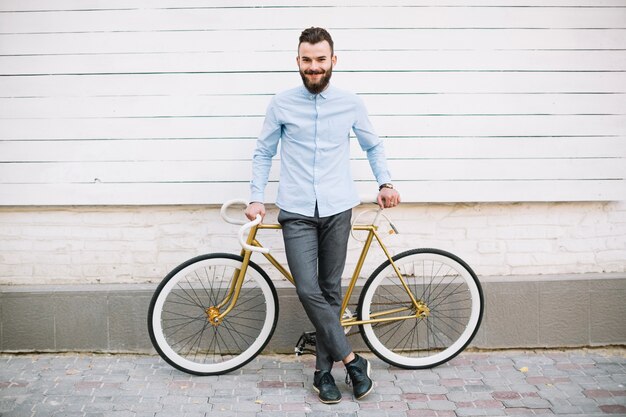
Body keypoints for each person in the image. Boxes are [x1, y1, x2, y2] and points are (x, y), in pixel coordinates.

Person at [245, 27, 401, 404]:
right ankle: (352, 360)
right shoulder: (281, 104)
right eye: (306, 60)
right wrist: (255, 197)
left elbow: (373, 146)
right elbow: (263, 152)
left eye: (320, 59)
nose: (313, 67)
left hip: (337, 208)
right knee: (307, 288)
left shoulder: (350, 103)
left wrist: (385, 183)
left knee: (330, 292)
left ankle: (322, 374)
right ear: (297, 61)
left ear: (333, 60)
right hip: (296, 210)